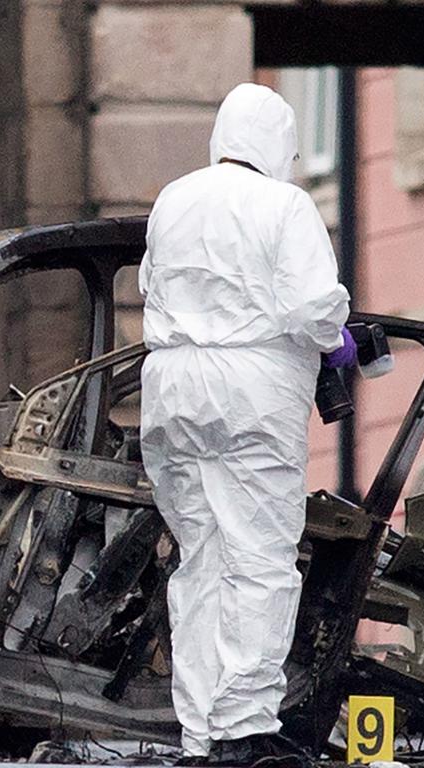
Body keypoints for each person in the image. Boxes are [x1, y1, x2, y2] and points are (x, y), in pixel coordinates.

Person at [139, 83, 353, 763]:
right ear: (279, 146)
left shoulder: (173, 199)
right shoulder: (284, 204)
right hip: (251, 390)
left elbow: (150, 284)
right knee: (258, 558)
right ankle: (244, 728)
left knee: (198, 560)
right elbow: (314, 307)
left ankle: (200, 731)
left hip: (171, 385)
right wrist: (340, 334)